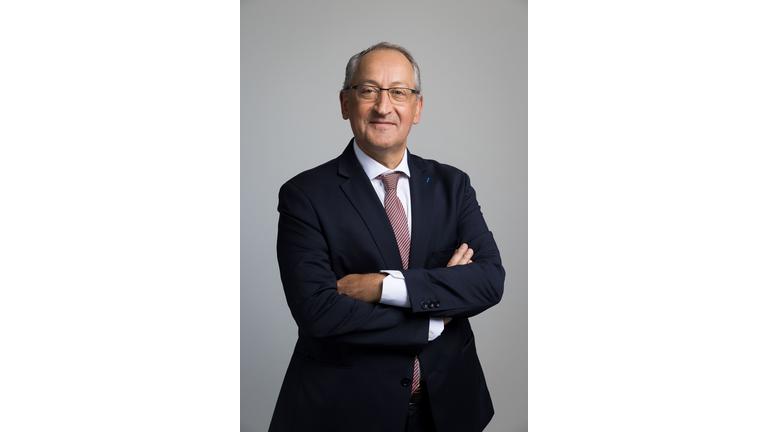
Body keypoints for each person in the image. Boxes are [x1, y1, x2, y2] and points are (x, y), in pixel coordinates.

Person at [269, 42, 505, 432]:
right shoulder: (305, 195)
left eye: (398, 92)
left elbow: (489, 281)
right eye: (369, 91)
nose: (383, 106)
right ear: (345, 103)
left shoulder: (452, 185)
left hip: (448, 408)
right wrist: (435, 318)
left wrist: (384, 287)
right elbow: (319, 312)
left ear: (417, 107)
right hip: (346, 412)